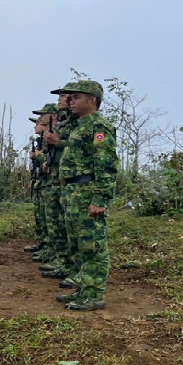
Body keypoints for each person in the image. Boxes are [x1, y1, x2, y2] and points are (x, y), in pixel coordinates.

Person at [54, 80, 118, 311]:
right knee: (79, 244)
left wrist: (100, 199)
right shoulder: (80, 124)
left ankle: (94, 294)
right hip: (73, 192)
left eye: (76, 98)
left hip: (87, 192)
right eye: (69, 98)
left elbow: (106, 165)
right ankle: (85, 288)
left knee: (93, 246)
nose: (71, 101)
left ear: (92, 100)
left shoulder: (98, 127)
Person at [41, 82, 82, 285]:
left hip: (75, 183)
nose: (62, 100)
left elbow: (84, 150)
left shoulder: (86, 124)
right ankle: (66, 262)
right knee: (60, 223)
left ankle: (75, 268)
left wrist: (58, 143)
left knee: (73, 230)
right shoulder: (67, 122)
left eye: (66, 97)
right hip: (61, 181)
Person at [28, 103, 58, 264]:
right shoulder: (45, 140)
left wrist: (38, 157)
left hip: (53, 184)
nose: (37, 123)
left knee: (54, 222)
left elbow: (50, 162)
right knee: (45, 220)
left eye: (40, 119)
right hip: (44, 183)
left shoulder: (54, 137)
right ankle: (46, 247)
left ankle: (55, 254)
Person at [25, 114, 49, 253]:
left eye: (38, 123)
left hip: (49, 183)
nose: (35, 126)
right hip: (41, 182)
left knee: (50, 220)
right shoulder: (41, 141)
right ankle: (43, 245)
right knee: (41, 217)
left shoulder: (48, 141)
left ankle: (49, 249)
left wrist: (38, 156)